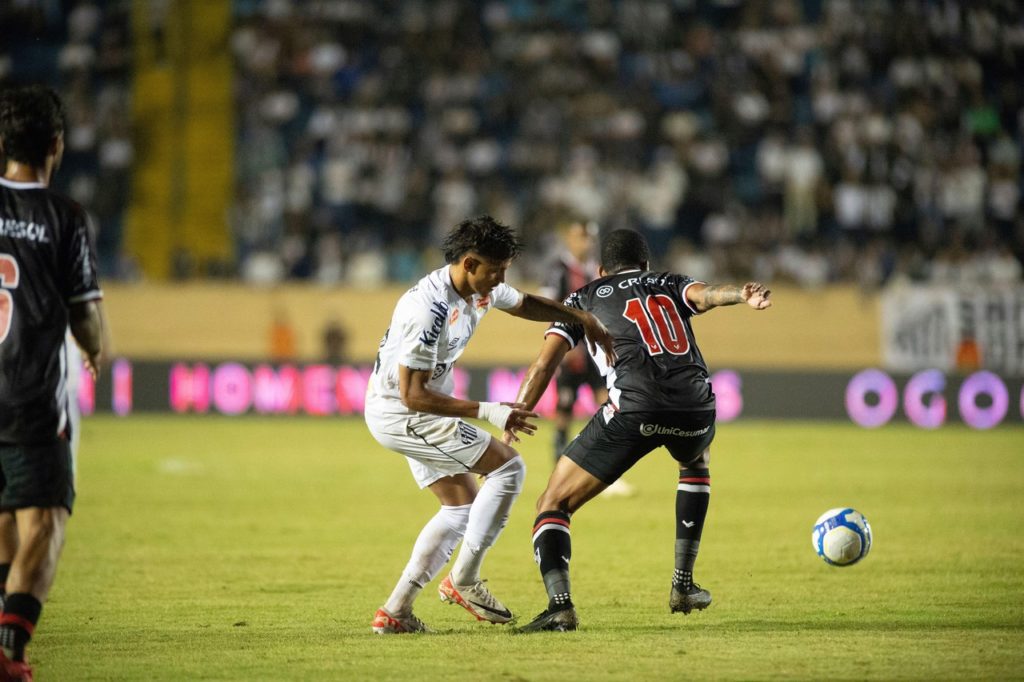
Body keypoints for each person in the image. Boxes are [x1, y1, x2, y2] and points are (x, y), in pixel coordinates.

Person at [506, 229, 771, 632]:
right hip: (697, 406)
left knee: (552, 503)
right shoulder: (669, 281)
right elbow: (707, 294)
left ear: (599, 269)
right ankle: (683, 585)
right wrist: (742, 295)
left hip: (634, 408)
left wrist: (517, 411)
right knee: (696, 460)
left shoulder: (584, 296)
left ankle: (560, 606)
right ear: (645, 265)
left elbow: (545, 364)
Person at [365, 215, 615, 634]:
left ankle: (396, 612)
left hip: (417, 409)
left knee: (462, 507)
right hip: (404, 412)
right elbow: (413, 394)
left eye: (505, 269)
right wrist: (489, 411)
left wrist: (580, 317)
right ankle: (464, 580)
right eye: (494, 269)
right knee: (509, 467)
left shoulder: (481, 288)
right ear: (468, 263)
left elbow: (525, 304)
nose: (501, 278)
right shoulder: (428, 309)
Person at [0, 85, 105, 679]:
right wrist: (93, 350)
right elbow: (85, 315)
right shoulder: (61, 216)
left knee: (1, 519)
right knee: (43, 518)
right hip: (28, 393)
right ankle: (11, 654)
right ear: (57, 147)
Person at [539, 220, 634, 497]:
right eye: (581, 237)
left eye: (590, 237)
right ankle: (559, 475)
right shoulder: (557, 271)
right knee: (563, 413)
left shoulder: (597, 270)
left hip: (598, 354)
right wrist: (561, 347)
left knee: (610, 408)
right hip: (570, 352)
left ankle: (608, 473)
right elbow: (547, 309)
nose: (586, 243)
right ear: (569, 239)